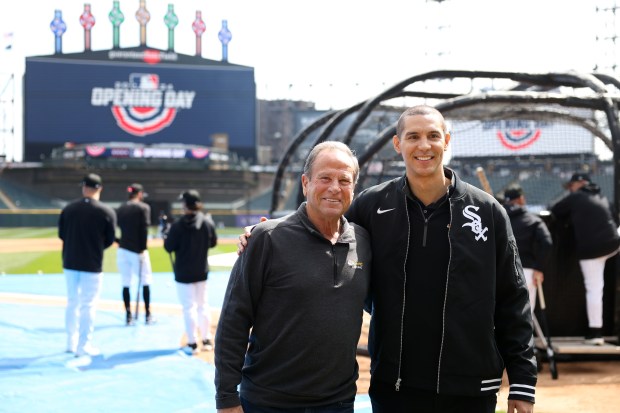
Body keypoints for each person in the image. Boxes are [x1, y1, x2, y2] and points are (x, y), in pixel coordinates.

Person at [238, 105, 537, 413]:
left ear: (446, 141)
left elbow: (513, 299)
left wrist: (523, 382)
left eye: (433, 136)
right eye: (413, 136)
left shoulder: (487, 212)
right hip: (395, 386)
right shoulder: (372, 205)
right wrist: (265, 231)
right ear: (398, 144)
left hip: (470, 387)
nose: (424, 145)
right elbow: (322, 228)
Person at [215, 141, 372, 413]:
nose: (335, 187)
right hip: (270, 402)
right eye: (325, 178)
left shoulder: (363, 240)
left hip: (338, 403)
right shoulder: (267, 238)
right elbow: (233, 320)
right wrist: (227, 399)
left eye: (344, 180)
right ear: (305, 183)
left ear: (353, 187)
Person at [549, 171, 620, 345]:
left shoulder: (576, 197)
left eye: (572, 186)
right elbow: (616, 221)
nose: (570, 189)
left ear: (580, 183)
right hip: (614, 244)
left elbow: (555, 210)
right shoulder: (603, 198)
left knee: (594, 289)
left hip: (593, 250)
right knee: (599, 287)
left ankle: (596, 333)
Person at [58, 173, 116, 357]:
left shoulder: (68, 209)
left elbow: (62, 234)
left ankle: (70, 342)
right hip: (92, 263)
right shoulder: (106, 211)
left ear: (84, 187)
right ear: (99, 189)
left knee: (72, 302)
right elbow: (110, 240)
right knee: (88, 305)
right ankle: (83, 346)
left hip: (70, 261)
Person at [164, 189, 218, 354]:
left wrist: (165, 235)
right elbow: (213, 243)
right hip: (201, 271)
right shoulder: (207, 222)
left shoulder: (177, 225)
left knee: (189, 308)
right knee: (203, 306)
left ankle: (192, 343)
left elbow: (169, 247)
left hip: (183, 273)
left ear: (185, 205)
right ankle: (207, 339)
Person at [503, 184, 553, 313]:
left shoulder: (498, 219)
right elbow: (547, 242)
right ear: (521, 199)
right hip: (527, 271)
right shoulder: (533, 220)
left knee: (504, 313)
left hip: (502, 271)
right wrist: (539, 269)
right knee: (526, 314)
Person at [116, 183, 155, 326]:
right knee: (146, 280)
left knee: (125, 282)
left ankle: (128, 316)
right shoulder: (143, 207)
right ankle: (148, 315)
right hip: (137, 251)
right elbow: (144, 230)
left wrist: (118, 241)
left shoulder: (120, 208)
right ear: (139, 194)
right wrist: (142, 249)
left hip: (122, 249)